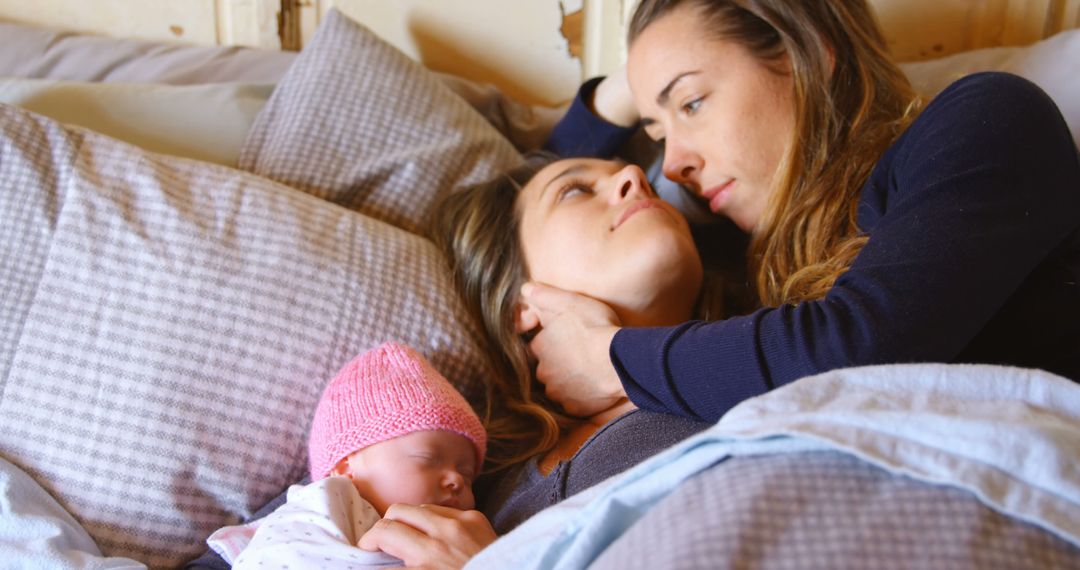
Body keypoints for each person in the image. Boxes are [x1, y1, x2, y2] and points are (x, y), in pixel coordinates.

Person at [525, 0, 1080, 423]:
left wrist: (611, 358)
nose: (671, 167)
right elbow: (536, 177)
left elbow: (859, 349)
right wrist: (648, 67)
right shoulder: (735, 263)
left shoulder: (983, 124)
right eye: (656, 131)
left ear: (808, 51)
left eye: (692, 103)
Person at [202, 341, 488, 569]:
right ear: (345, 468)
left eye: (466, 473)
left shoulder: (464, 540)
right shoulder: (325, 506)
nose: (455, 480)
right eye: (428, 459)